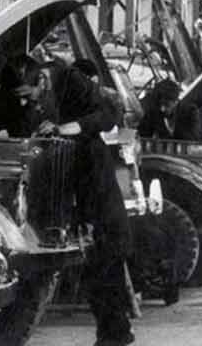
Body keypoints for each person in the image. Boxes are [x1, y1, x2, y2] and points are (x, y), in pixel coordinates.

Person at [11, 54, 133, 346]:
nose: (30, 103)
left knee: (105, 260)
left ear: (41, 79)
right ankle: (114, 331)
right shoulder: (34, 94)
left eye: (31, 96)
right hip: (63, 187)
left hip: (93, 185)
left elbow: (109, 114)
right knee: (91, 267)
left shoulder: (70, 79)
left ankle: (115, 333)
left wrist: (66, 128)